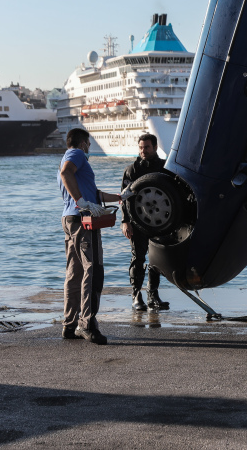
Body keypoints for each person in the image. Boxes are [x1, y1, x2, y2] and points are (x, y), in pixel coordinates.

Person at [58, 128, 127, 345]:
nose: (89, 148)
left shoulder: (74, 163)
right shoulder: (76, 154)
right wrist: (81, 202)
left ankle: (69, 325)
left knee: (75, 272)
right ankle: (87, 323)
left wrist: (119, 197)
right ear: (84, 143)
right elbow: (66, 172)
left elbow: (95, 194)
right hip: (83, 220)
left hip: (70, 219)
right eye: (88, 144)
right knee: (93, 269)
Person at [121, 133, 170, 312]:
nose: (143, 151)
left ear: (155, 147)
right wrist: (125, 221)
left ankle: (153, 294)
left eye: (147, 147)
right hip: (138, 222)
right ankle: (136, 295)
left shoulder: (165, 167)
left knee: (156, 259)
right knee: (138, 258)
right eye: (141, 148)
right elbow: (124, 198)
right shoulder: (131, 170)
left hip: (160, 222)